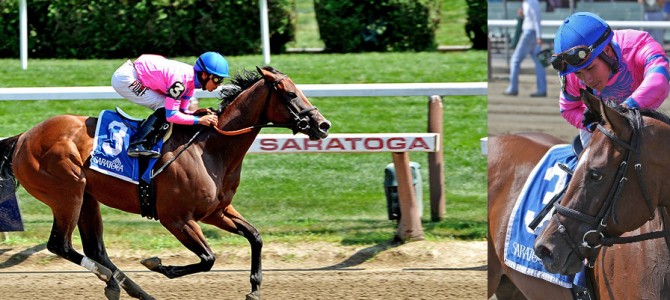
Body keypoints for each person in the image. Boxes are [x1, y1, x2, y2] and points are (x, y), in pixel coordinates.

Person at [551, 12, 670, 146]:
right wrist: (595, 124)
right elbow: (568, 109)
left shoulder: (638, 45)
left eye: (590, 68)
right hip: (604, 122)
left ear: (607, 51)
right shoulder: (571, 74)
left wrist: (623, 110)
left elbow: (659, 79)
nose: (587, 80)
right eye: (579, 74)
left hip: (644, 115)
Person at [111, 52, 228, 157]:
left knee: (165, 105)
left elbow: (181, 112)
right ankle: (137, 144)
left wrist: (196, 114)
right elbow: (171, 115)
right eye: (217, 79)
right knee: (163, 105)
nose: (218, 84)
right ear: (204, 75)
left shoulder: (190, 85)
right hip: (126, 79)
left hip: (135, 73)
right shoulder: (180, 83)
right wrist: (200, 120)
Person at [503, 0, 547, 98]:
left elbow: (537, 19)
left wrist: (539, 36)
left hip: (529, 33)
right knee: (539, 62)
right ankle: (542, 89)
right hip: (531, 32)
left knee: (515, 60)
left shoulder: (532, 2)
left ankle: (512, 88)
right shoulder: (528, 2)